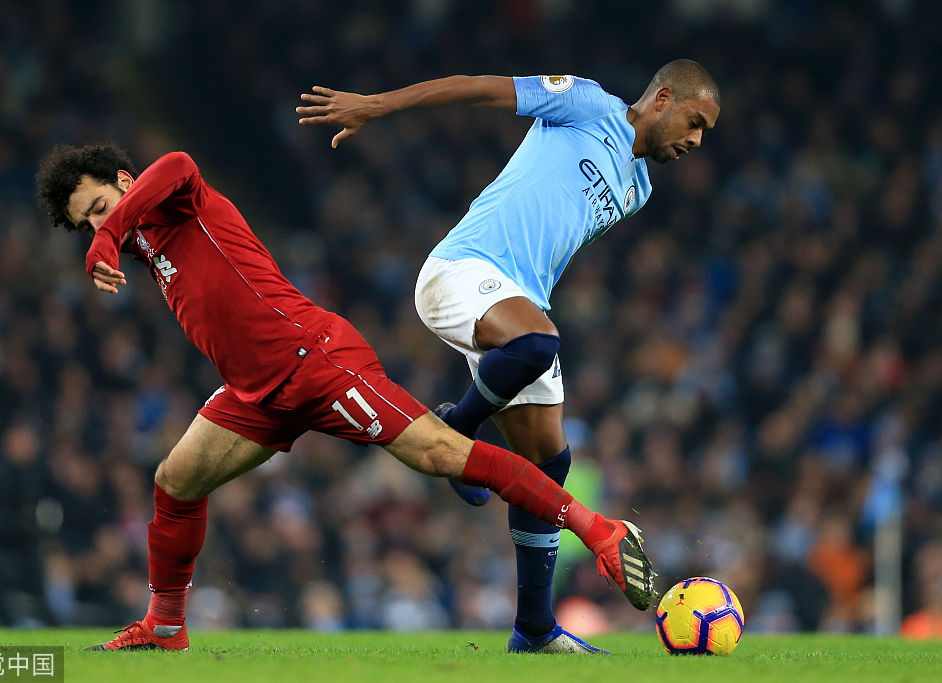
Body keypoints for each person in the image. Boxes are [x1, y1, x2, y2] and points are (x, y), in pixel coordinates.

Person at [35, 144, 656, 653]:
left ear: (124, 182)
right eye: (86, 224)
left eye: (100, 207)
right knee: (175, 482)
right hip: (254, 392)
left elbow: (177, 163)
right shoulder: (140, 240)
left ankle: (599, 531)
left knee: (440, 453)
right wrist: (113, 233)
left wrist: (108, 234)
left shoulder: (173, 199)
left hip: (315, 361)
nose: (98, 226)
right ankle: (165, 627)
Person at [297, 59, 719, 651]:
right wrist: (377, 105)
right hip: (460, 270)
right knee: (538, 342)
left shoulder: (638, 190)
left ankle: (535, 630)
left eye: (705, 133)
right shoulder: (586, 102)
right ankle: (460, 424)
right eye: (695, 122)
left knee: (548, 466)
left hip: (513, 299)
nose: (696, 140)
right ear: (664, 98)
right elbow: (477, 88)